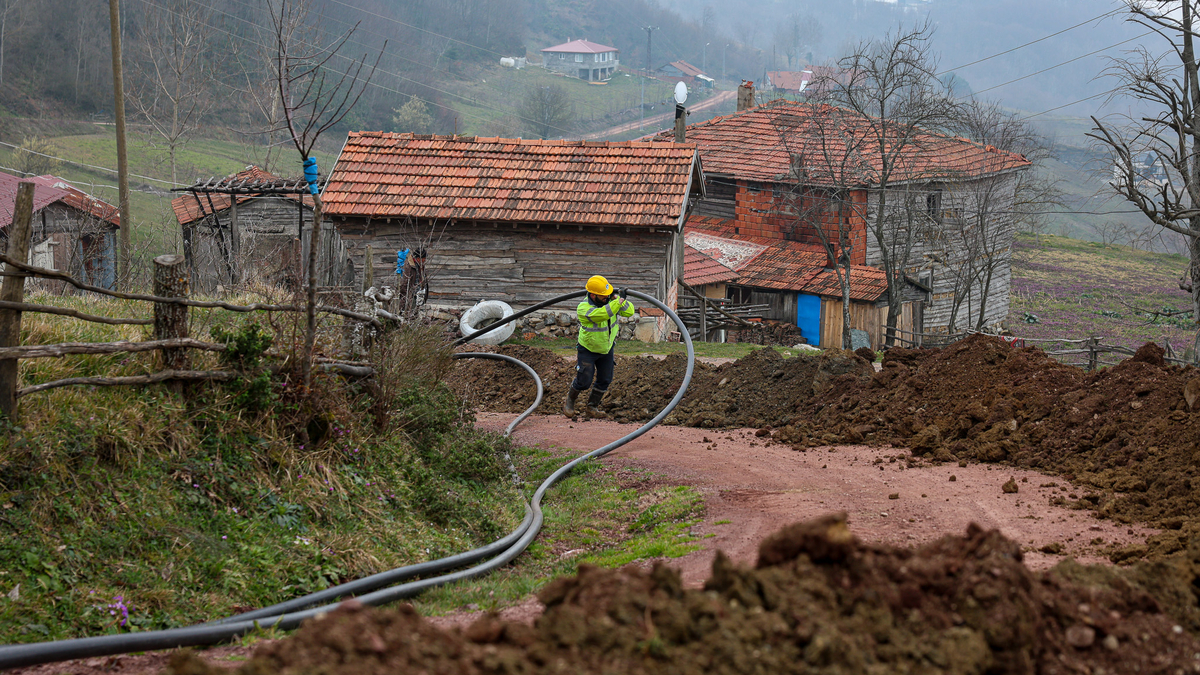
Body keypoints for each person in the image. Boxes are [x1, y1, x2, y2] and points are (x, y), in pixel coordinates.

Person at [564, 275, 635, 417]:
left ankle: (592, 407)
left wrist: (619, 299)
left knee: (605, 379)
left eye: (607, 294)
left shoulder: (611, 301)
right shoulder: (584, 308)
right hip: (588, 349)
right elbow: (603, 314)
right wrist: (617, 302)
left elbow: (629, 312)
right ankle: (570, 400)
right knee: (584, 381)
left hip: (606, 348)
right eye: (603, 295)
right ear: (593, 295)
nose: (606, 297)